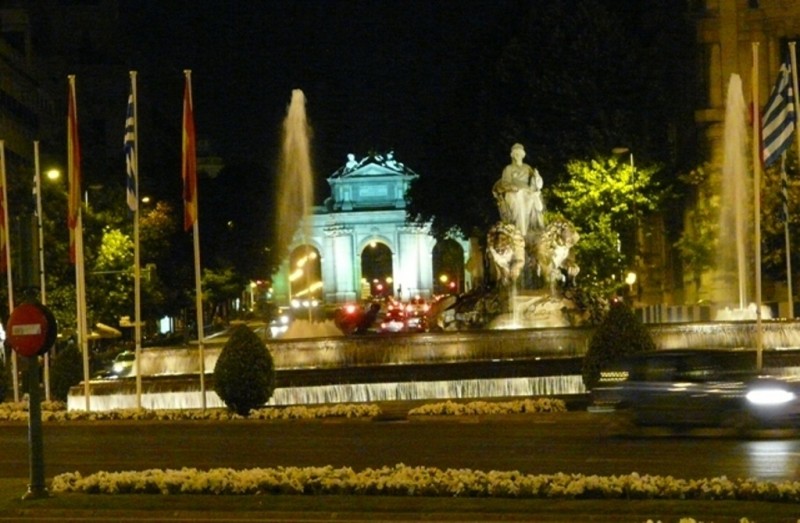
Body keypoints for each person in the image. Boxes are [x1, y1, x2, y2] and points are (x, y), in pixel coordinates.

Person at [492, 143, 545, 238]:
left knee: (535, 197)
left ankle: (538, 225)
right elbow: (505, 183)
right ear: (512, 155)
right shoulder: (509, 168)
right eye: (515, 153)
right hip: (513, 193)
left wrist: (537, 177)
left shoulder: (527, 167)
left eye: (519, 153)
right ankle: (522, 231)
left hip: (527, 192)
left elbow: (535, 182)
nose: (517, 155)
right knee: (519, 197)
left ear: (522, 154)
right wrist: (512, 187)